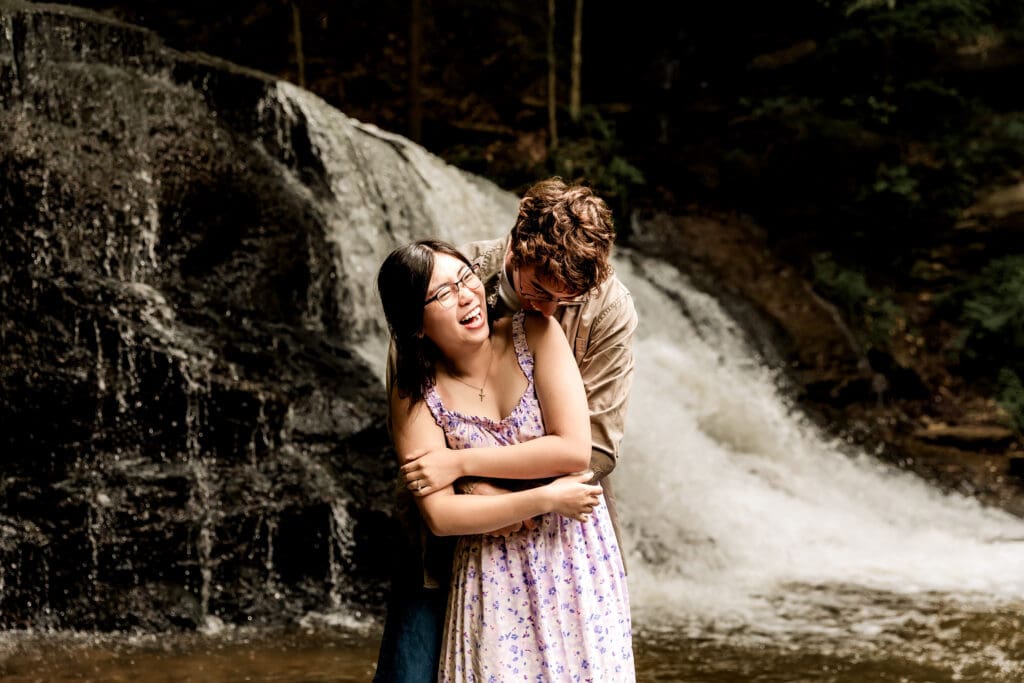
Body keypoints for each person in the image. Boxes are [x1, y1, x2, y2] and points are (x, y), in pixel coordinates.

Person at [373, 178, 638, 681]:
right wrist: (468, 488)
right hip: (447, 540)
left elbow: (596, 444)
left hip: (562, 531)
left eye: (568, 298)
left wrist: (490, 481)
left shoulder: (609, 308)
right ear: (517, 245)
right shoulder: (446, 281)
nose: (551, 309)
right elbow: (415, 426)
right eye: (540, 291)